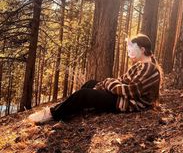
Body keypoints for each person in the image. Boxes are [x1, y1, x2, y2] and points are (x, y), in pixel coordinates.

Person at [28, 34, 162, 124]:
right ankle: (72, 110)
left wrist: (109, 83)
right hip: (122, 98)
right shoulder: (141, 65)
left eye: (132, 48)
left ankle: (53, 114)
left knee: (84, 94)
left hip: (127, 103)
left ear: (142, 49)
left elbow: (131, 91)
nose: (130, 52)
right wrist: (107, 83)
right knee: (90, 83)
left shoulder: (148, 68)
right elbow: (122, 81)